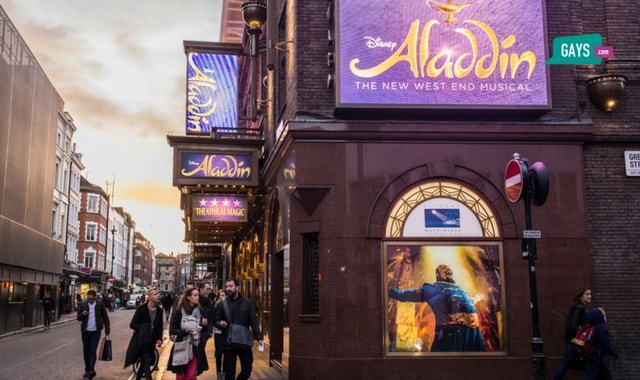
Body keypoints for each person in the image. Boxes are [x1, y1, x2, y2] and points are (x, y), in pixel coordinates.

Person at [388, 264, 485, 352]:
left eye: (448, 267)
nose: (447, 269)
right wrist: (387, 290)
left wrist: (475, 299)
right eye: (443, 268)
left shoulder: (461, 289)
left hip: (474, 335)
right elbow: (404, 295)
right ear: (438, 274)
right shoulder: (431, 289)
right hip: (451, 335)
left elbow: (463, 305)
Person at [213, 278, 264, 380]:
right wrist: (220, 323)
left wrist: (259, 338)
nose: (228, 289)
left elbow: (253, 321)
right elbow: (215, 320)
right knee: (229, 373)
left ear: (237, 287)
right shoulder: (222, 304)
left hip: (243, 341)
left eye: (231, 286)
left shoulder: (247, 303)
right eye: (227, 286)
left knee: (247, 369)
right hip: (228, 342)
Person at [167, 287, 209, 379]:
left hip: (195, 347)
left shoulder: (200, 311)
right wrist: (184, 331)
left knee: (191, 375)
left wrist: (204, 325)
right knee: (180, 375)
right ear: (189, 297)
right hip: (182, 346)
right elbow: (174, 328)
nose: (197, 297)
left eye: (198, 295)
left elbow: (206, 330)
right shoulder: (179, 311)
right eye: (195, 295)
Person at [125, 287, 164, 380]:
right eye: (155, 294)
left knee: (144, 363)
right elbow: (133, 324)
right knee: (146, 362)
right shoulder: (141, 309)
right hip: (141, 340)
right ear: (149, 297)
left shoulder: (159, 311)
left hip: (151, 340)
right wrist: (144, 327)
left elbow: (160, 327)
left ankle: (138, 378)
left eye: (158, 294)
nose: (158, 296)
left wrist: (159, 338)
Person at [553, 288, 592, 379]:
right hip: (574, 339)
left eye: (590, 294)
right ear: (581, 296)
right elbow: (573, 324)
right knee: (567, 361)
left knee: (568, 361)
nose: (590, 296)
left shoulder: (580, 306)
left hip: (572, 338)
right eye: (587, 294)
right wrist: (581, 335)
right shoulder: (580, 307)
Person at [77, 289, 111, 379]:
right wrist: (83, 314)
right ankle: (87, 370)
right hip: (85, 331)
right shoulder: (84, 304)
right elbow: (78, 317)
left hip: (96, 331)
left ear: (95, 298)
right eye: (89, 299)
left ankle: (91, 369)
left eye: (92, 299)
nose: (90, 301)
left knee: (92, 350)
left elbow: (105, 317)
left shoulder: (100, 304)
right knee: (86, 351)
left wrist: (107, 329)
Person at [584, 307, 618, 380]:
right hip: (597, 355)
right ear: (599, 317)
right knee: (591, 374)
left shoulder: (592, 327)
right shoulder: (602, 328)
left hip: (593, 354)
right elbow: (606, 344)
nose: (605, 318)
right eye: (604, 316)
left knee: (606, 375)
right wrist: (614, 353)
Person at [212, 290, 227, 379]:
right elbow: (214, 319)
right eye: (221, 295)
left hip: (226, 332)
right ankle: (218, 372)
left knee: (225, 352)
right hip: (218, 332)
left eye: (224, 295)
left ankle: (224, 372)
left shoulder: (228, 305)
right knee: (219, 352)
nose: (223, 297)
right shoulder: (217, 305)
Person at [198, 282, 214, 349]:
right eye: (207, 289)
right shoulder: (195, 301)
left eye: (209, 289)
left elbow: (211, 318)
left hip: (204, 333)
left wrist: (209, 331)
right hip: (194, 333)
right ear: (201, 290)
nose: (209, 291)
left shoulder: (209, 303)